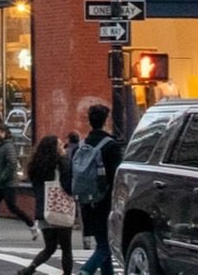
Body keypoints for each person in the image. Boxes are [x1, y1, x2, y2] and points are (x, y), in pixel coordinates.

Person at [73, 105, 122, 275]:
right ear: (106, 120)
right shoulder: (111, 146)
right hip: (105, 200)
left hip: (86, 199)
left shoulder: (82, 144)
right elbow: (117, 176)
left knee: (102, 240)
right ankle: (86, 270)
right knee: (106, 245)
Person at [23, 134, 76, 275]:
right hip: (60, 209)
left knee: (49, 247)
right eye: (59, 145)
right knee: (66, 248)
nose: (62, 148)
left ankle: (30, 268)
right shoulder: (62, 163)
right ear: (55, 149)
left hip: (44, 211)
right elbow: (67, 186)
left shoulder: (36, 166)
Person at [0, 124, 38, 239]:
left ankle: (32, 225)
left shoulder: (8, 147)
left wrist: (2, 178)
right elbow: (0, 165)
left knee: (12, 207)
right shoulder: (0, 147)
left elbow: (12, 164)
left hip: (7, 184)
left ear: (3, 133)